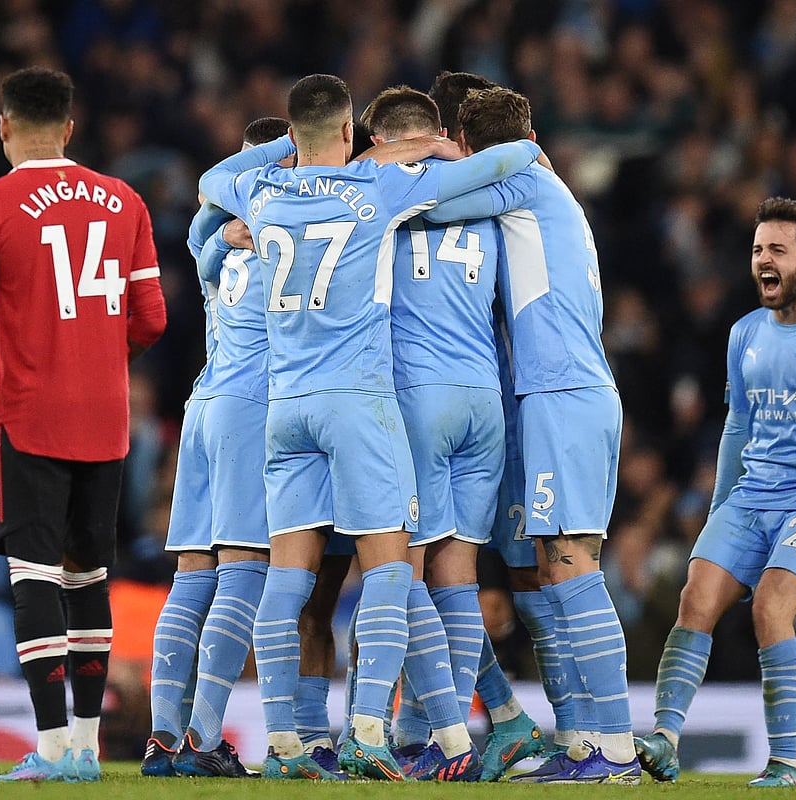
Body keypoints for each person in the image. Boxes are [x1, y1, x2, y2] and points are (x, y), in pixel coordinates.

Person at [196, 73, 542, 780]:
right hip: (359, 400)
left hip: (286, 407)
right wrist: (428, 146)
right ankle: (368, 732)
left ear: (294, 134)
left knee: (286, 583)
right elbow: (511, 161)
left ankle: (285, 745)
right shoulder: (376, 189)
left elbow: (210, 179)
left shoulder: (261, 189)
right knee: (389, 569)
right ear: (350, 131)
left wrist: (288, 156)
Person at [0, 66, 167, 783]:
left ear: (4, 125)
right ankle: (86, 748)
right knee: (89, 578)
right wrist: (98, 361)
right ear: (70, 127)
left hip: (30, 419)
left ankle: (51, 749)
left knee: (34, 577)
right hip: (106, 421)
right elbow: (152, 319)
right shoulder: (125, 200)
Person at [632, 197, 796, 788]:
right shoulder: (744, 333)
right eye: (757, 250)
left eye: (777, 249)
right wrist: (719, 509)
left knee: (772, 607)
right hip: (752, 495)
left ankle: (786, 763)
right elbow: (737, 428)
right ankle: (665, 739)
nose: (763, 261)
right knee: (695, 597)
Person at [423, 87, 638, 784]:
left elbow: (429, 204)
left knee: (572, 566)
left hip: (561, 395)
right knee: (557, 568)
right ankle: (585, 743)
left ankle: (615, 750)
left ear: (472, 146)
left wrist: (418, 150)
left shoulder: (521, 179)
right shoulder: (544, 190)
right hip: (568, 392)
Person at [141, 116, 293, 779]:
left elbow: (199, 231)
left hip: (202, 402)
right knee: (244, 568)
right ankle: (203, 739)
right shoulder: (291, 233)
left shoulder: (216, 240)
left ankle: (161, 737)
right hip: (250, 407)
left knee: (191, 574)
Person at [359, 85, 493, 782]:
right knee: (458, 579)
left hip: (417, 396)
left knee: (399, 570)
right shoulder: (488, 190)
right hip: (484, 397)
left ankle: (434, 734)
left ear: (378, 139)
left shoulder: (375, 191)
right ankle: (429, 740)